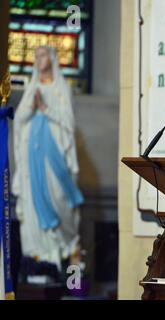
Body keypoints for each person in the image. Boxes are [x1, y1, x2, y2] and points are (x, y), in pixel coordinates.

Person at [12, 46, 84, 275]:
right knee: (34, 200)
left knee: (59, 197)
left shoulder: (61, 88)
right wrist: (33, 106)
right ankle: (40, 257)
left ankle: (65, 251)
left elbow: (69, 122)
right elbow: (19, 118)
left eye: (43, 54)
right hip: (32, 154)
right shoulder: (32, 87)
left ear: (52, 58)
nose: (38, 59)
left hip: (55, 153)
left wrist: (45, 108)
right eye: (36, 55)